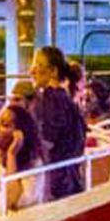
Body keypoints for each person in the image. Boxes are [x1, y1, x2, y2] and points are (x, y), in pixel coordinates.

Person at [30, 46, 88, 200]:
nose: (32, 70)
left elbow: (47, 141)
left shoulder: (52, 100)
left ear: (53, 71)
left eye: (38, 65)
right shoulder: (66, 99)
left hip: (56, 182)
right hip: (71, 178)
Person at [0, 103, 46, 211]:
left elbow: (11, 200)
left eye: (5, 125)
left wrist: (11, 154)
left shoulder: (34, 164)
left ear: (19, 133)